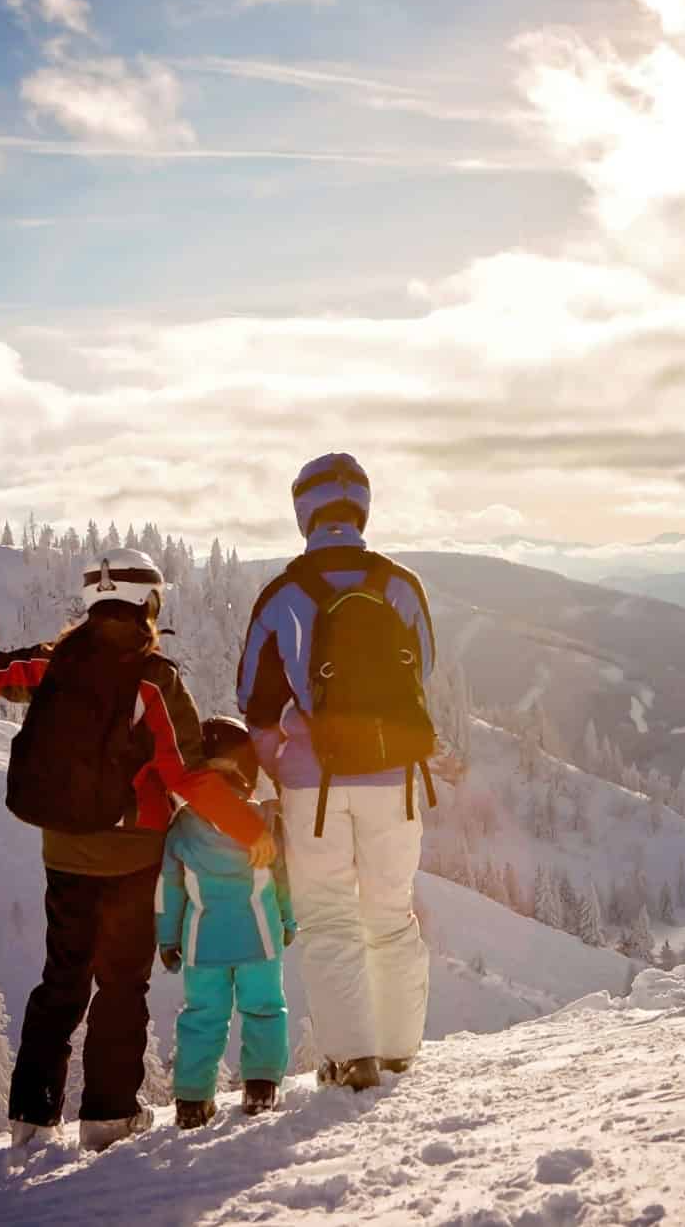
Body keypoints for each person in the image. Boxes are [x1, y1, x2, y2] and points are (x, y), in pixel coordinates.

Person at [0, 548, 273, 1153]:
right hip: (131, 855)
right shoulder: (153, 679)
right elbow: (186, 774)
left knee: (61, 979)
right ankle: (107, 1117)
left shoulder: (54, 664)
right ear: (147, 603)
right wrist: (249, 829)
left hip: (63, 851)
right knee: (122, 983)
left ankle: (31, 1117)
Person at [238, 453, 436, 1092]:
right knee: (392, 912)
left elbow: (254, 700)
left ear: (304, 510)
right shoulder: (401, 584)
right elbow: (421, 672)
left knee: (328, 918)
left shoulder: (282, 594)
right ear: (362, 507)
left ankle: (353, 1059)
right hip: (396, 780)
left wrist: (283, 765)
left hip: (315, 786)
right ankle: (400, 1049)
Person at [154, 716, 296, 1126]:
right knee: (265, 1009)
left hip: (203, 945)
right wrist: (287, 920)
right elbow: (282, 879)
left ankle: (193, 1101)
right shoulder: (263, 822)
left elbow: (169, 890)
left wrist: (167, 938)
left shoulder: (182, 826)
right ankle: (261, 1088)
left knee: (202, 1016)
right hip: (260, 938)